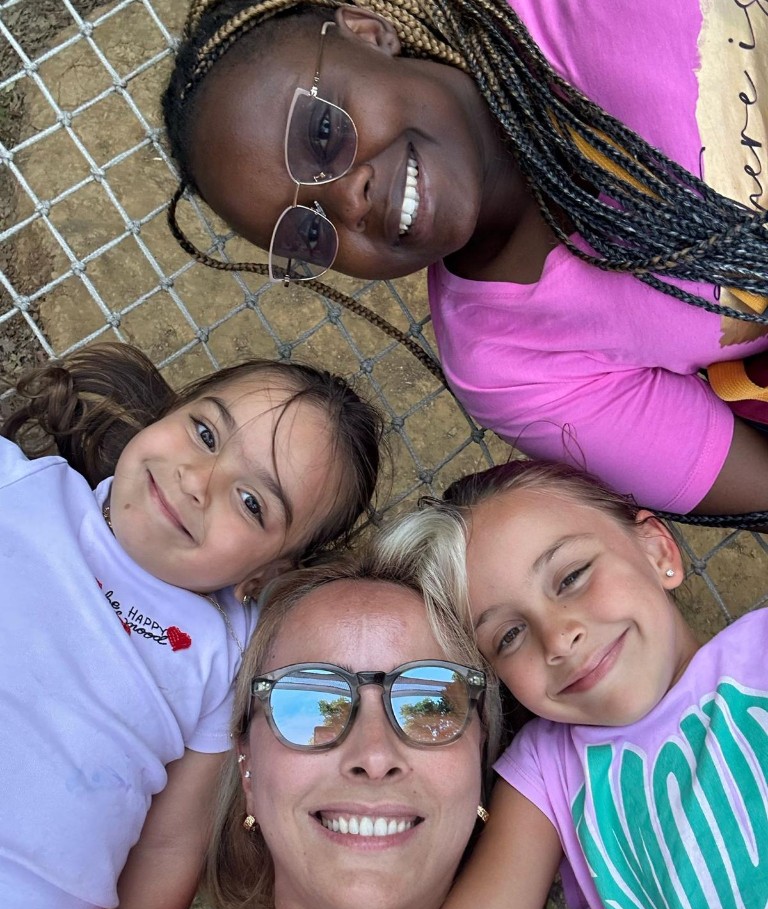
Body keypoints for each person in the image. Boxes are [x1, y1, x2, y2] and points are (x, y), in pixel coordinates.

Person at [160, 0, 768, 521]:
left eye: (322, 134)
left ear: (369, 32)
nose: (348, 200)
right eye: (309, 232)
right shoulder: (506, 365)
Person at [1, 554, 657, 909]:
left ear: (481, 769)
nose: (374, 755)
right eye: (309, 702)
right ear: (248, 773)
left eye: (430, 704)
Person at [0, 341, 382, 909]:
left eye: (252, 502)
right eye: (204, 433)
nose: (197, 481)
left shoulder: (225, 657)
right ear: (167, 413)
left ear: (267, 571)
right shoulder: (19, 487)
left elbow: (170, 845)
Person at [366, 459, 768, 909]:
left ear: (658, 550)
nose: (557, 639)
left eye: (572, 577)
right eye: (509, 635)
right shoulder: (546, 772)